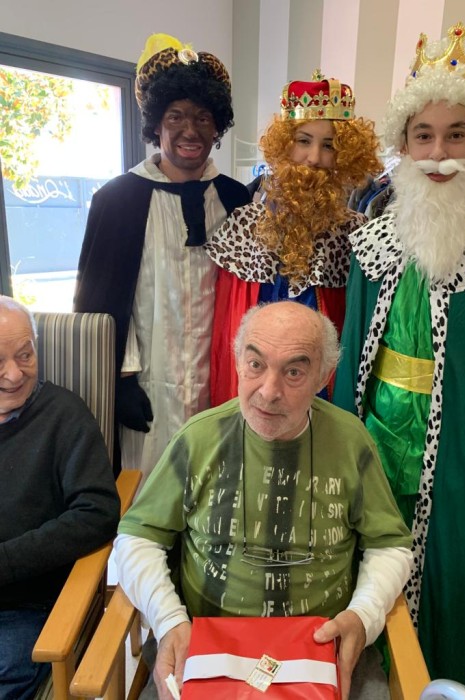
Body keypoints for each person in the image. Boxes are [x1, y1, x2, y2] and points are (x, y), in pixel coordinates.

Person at [333, 21, 465, 692]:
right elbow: (351, 358)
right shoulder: (370, 246)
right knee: (365, 584)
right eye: (423, 136)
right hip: (376, 446)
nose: (439, 154)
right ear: (403, 144)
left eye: (456, 135)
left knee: (460, 591)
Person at [115, 301, 413, 700]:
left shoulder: (350, 440)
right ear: (238, 363)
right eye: (256, 365)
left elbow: (390, 544)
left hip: (322, 649)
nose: (269, 392)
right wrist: (169, 620)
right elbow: (137, 538)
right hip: (202, 646)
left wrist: (363, 615)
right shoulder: (197, 439)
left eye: (294, 372)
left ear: (324, 376)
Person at [74, 33, 250, 478]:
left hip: (220, 381)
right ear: (156, 124)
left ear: (217, 127)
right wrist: (121, 379)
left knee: (214, 485)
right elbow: (97, 302)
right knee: (148, 492)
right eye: (176, 116)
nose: (191, 131)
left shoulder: (236, 200)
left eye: (203, 117)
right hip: (146, 385)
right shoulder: (117, 199)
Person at [206, 71, 382, 406]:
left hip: (321, 390)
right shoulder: (244, 225)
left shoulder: (357, 233)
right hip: (258, 386)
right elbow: (226, 334)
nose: (314, 158)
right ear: (284, 145)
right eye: (304, 141)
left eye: (328, 145)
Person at [0, 296, 120, 700]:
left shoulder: (64, 415)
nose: (15, 374)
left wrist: (7, 561)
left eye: (25, 355)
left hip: (24, 606)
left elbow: (97, 513)